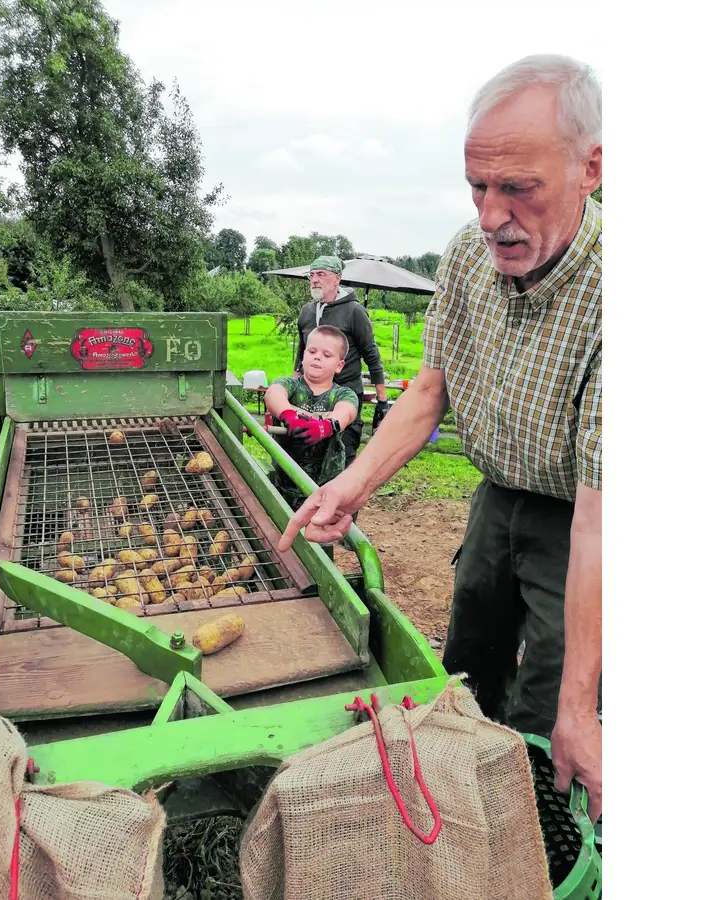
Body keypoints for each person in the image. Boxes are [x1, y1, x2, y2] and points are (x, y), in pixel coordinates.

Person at [276, 53, 603, 819]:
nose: (491, 217)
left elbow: (599, 513)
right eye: (478, 187)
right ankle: (457, 803)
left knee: (551, 702)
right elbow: (430, 389)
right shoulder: (466, 255)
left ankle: (530, 826)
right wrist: (349, 487)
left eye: (518, 188)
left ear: (592, 168)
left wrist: (582, 708)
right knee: (466, 663)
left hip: (577, 521)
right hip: (496, 501)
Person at [292, 257, 389, 462]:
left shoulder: (354, 311)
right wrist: (293, 384)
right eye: (312, 275)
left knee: (343, 450)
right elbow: (302, 351)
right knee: (311, 449)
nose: (315, 280)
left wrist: (382, 400)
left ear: (337, 279)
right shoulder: (307, 311)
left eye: (321, 274)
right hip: (312, 394)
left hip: (346, 391)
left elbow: (371, 353)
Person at [265, 326, 362, 517]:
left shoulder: (342, 394)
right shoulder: (290, 385)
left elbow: (347, 411)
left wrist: (326, 426)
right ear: (303, 356)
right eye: (312, 351)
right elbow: (273, 394)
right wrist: (289, 416)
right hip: (283, 481)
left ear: (339, 365)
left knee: (317, 541)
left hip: (324, 488)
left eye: (327, 355)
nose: (317, 357)